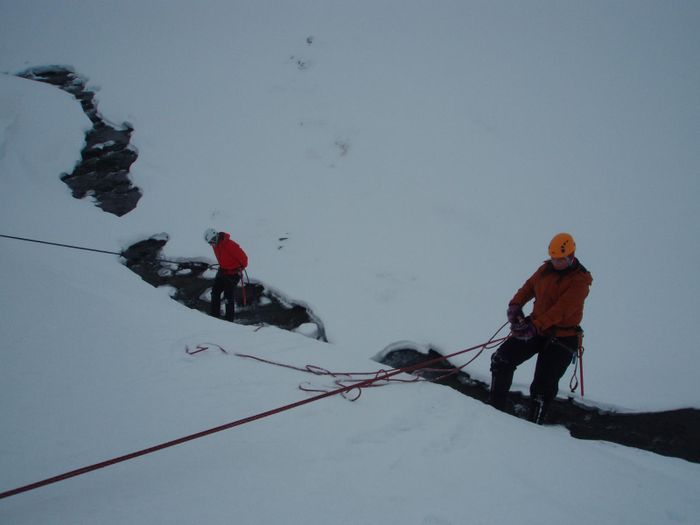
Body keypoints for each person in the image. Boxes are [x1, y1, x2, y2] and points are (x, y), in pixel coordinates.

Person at [489, 232, 593, 424]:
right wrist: (515, 305)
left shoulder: (580, 282)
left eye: (559, 259)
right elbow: (529, 287)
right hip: (537, 328)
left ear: (570, 257)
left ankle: (534, 429)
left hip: (562, 336)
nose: (555, 262)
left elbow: (561, 310)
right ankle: (494, 413)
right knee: (501, 359)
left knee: (542, 388)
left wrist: (534, 326)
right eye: (553, 258)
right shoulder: (545, 270)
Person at [204, 228, 248, 321]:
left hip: (233, 273)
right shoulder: (215, 245)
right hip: (223, 271)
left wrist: (239, 267)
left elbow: (244, 259)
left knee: (228, 296)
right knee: (215, 292)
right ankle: (214, 316)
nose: (212, 244)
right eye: (210, 243)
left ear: (216, 236)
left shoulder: (230, 245)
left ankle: (229, 320)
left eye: (212, 241)